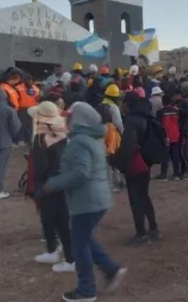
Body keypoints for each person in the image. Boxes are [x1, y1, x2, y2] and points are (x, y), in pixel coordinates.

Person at [43, 102, 126, 302]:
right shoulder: (91, 137)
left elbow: (80, 173)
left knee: (79, 243)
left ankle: (86, 290)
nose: (66, 120)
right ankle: (110, 269)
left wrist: (53, 183)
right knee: (83, 238)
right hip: (95, 198)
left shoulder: (80, 140)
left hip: (88, 199)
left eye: (69, 117)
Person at [29, 101, 75, 273]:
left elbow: (39, 166)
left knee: (57, 219)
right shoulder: (63, 133)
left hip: (49, 182)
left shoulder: (40, 137)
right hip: (62, 180)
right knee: (54, 217)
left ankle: (69, 258)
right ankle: (56, 251)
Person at [117, 93, 161, 246]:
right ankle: (154, 228)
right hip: (146, 162)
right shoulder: (147, 117)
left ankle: (141, 233)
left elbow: (128, 146)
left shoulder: (131, 121)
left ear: (128, 105)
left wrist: (119, 163)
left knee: (135, 198)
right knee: (144, 195)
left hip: (135, 163)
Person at [155, 94, 182, 181]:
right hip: (176, 135)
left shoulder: (160, 112)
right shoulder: (177, 111)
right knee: (175, 155)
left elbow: (158, 126)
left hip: (165, 137)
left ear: (163, 102)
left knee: (165, 156)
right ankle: (176, 174)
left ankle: (163, 175)